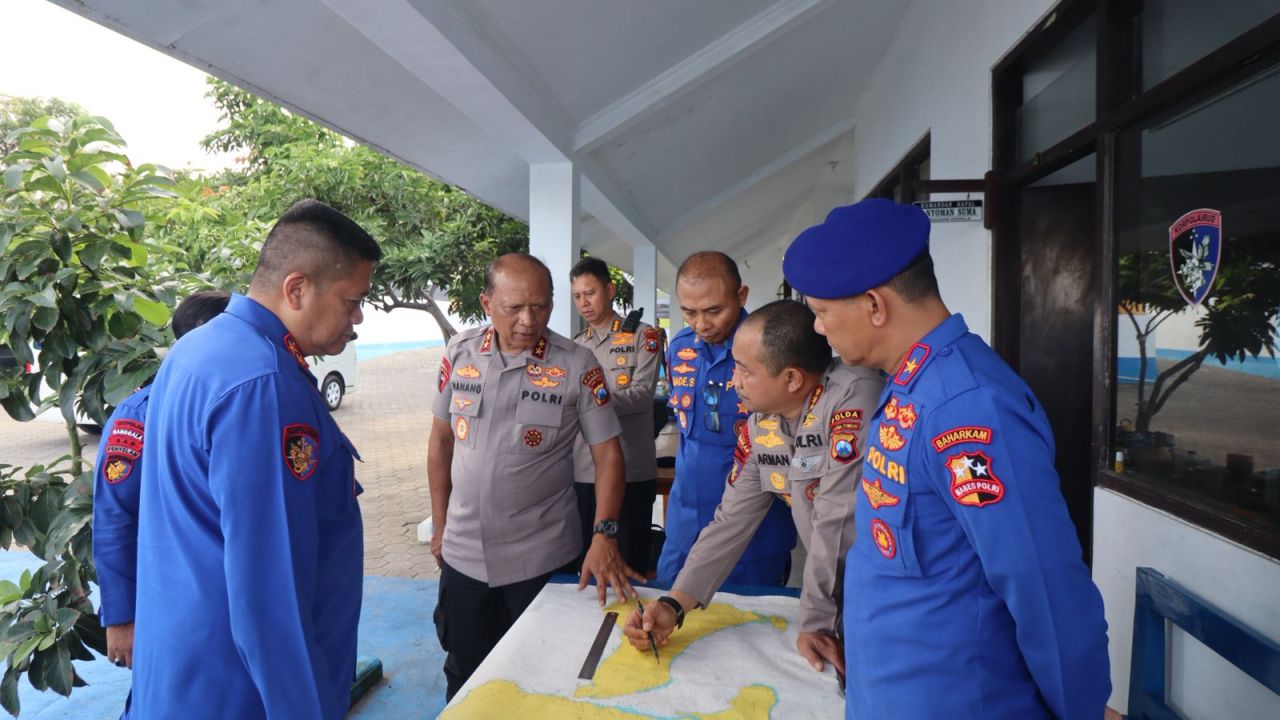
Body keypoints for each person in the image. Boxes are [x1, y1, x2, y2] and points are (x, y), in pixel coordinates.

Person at [783, 197, 1111, 719]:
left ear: (874, 304)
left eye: (823, 313)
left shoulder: (968, 406)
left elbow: (1043, 586)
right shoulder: (910, 385)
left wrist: (1082, 709)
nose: (818, 329)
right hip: (893, 692)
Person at [130, 199, 380, 719]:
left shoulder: (199, 349)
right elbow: (270, 598)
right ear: (297, 289)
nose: (357, 319)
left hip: (185, 674)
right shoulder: (264, 386)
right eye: (352, 300)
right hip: (242, 694)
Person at [624, 299, 882, 676]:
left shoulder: (852, 397)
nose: (733, 381)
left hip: (884, 595)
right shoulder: (762, 424)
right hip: (837, 595)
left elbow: (837, 523)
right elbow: (731, 520)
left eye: (744, 370)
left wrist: (815, 621)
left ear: (792, 379)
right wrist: (674, 603)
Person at [428, 253, 643, 700]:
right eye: (514, 308)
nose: (529, 320)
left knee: (543, 677)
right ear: (487, 302)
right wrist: (440, 525)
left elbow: (608, 454)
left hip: (540, 558)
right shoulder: (460, 353)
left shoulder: (578, 365)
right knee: (464, 672)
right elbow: (441, 442)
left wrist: (604, 533)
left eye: (541, 306)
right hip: (464, 555)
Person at [94, 289, 231, 674]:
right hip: (172, 601)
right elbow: (114, 515)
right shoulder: (140, 416)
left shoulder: (240, 400)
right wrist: (121, 618)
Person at [655, 251, 796, 586]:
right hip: (684, 525)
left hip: (753, 531)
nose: (701, 324)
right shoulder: (680, 348)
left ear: (741, 296)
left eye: (714, 311)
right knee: (668, 615)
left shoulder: (771, 352)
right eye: (689, 311)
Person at [569, 256, 662, 574]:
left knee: (629, 564)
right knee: (587, 562)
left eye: (590, 293)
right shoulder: (575, 347)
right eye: (577, 296)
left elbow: (640, 396)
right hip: (583, 471)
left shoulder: (642, 337)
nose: (584, 302)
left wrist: (586, 402)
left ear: (610, 290)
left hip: (631, 471)